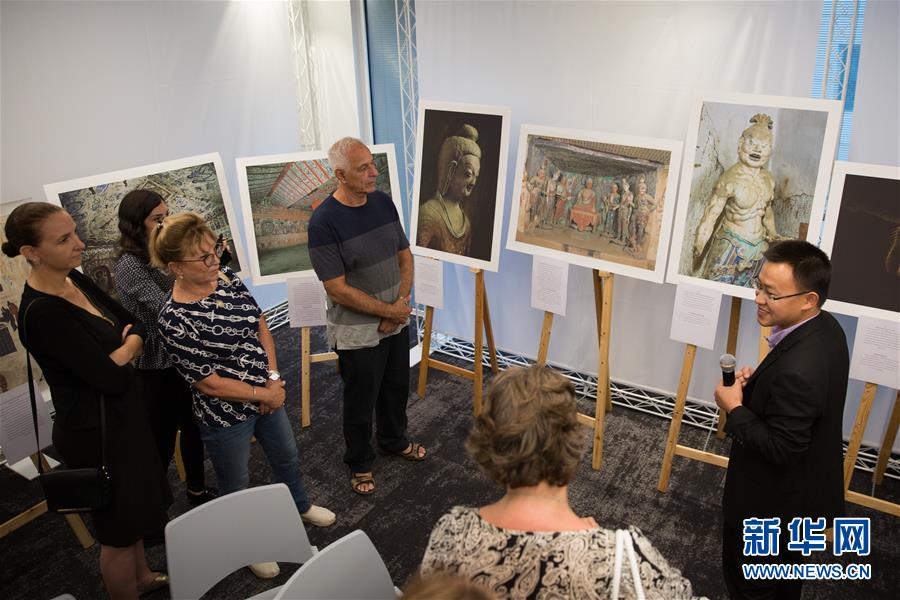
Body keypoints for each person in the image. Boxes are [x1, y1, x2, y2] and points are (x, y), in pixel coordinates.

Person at [152, 212, 335, 580]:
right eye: (203, 257)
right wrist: (263, 394)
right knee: (236, 483)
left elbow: (259, 323)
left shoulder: (226, 278)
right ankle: (247, 545)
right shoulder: (173, 319)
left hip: (268, 394)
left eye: (215, 249)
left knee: (287, 457)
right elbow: (208, 383)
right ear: (175, 268)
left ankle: (300, 505)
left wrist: (273, 378)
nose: (215, 260)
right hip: (225, 415)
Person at [4, 202, 171, 599]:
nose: (79, 244)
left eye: (75, 232)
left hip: (123, 417)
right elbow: (110, 376)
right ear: (31, 252)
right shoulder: (43, 312)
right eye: (64, 239)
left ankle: (143, 577)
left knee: (134, 515)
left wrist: (124, 349)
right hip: (95, 433)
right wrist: (128, 346)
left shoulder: (74, 278)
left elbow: (132, 323)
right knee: (117, 532)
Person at [420, 365, 701, 599]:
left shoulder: (452, 533)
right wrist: (599, 542)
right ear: (572, 439)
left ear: (490, 440)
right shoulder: (621, 561)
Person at [714, 240, 848, 600]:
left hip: (771, 509)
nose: (758, 298)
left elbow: (781, 448)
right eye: (758, 286)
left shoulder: (798, 370)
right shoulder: (827, 328)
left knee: (752, 587)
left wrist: (735, 408)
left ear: (808, 299)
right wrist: (758, 391)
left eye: (771, 294)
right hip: (803, 502)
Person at [308, 137, 426, 496]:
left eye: (372, 163)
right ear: (340, 175)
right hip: (357, 331)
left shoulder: (383, 202)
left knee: (396, 387)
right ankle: (360, 462)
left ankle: (393, 440)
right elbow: (337, 289)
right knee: (360, 399)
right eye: (364, 168)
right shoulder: (323, 222)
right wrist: (388, 312)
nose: (374, 172)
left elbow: (405, 256)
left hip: (395, 318)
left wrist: (399, 307)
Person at [114, 189, 217, 508]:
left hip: (180, 356)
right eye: (157, 219)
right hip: (156, 365)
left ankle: (196, 490)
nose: (165, 224)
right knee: (161, 439)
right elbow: (168, 309)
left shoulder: (160, 253)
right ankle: (152, 510)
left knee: (193, 426)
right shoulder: (130, 264)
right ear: (136, 224)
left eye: (167, 216)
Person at [693, 114, 780, 286]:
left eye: (764, 146)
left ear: (770, 151)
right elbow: (711, 213)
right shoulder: (730, 178)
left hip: (759, 248)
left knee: (750, 291)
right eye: (752, 143)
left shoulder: (769, 179)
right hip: (731, 244)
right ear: (741, 144)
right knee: (715, 288)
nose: (757, 150)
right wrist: (700, 241)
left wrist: (773, 234)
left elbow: (767, 211)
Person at [416, 124, 481, 255]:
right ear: (450, 170)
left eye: (476, 176)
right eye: (468, 174)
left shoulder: (466, 224)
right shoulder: (428, 214)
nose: (473, 182)